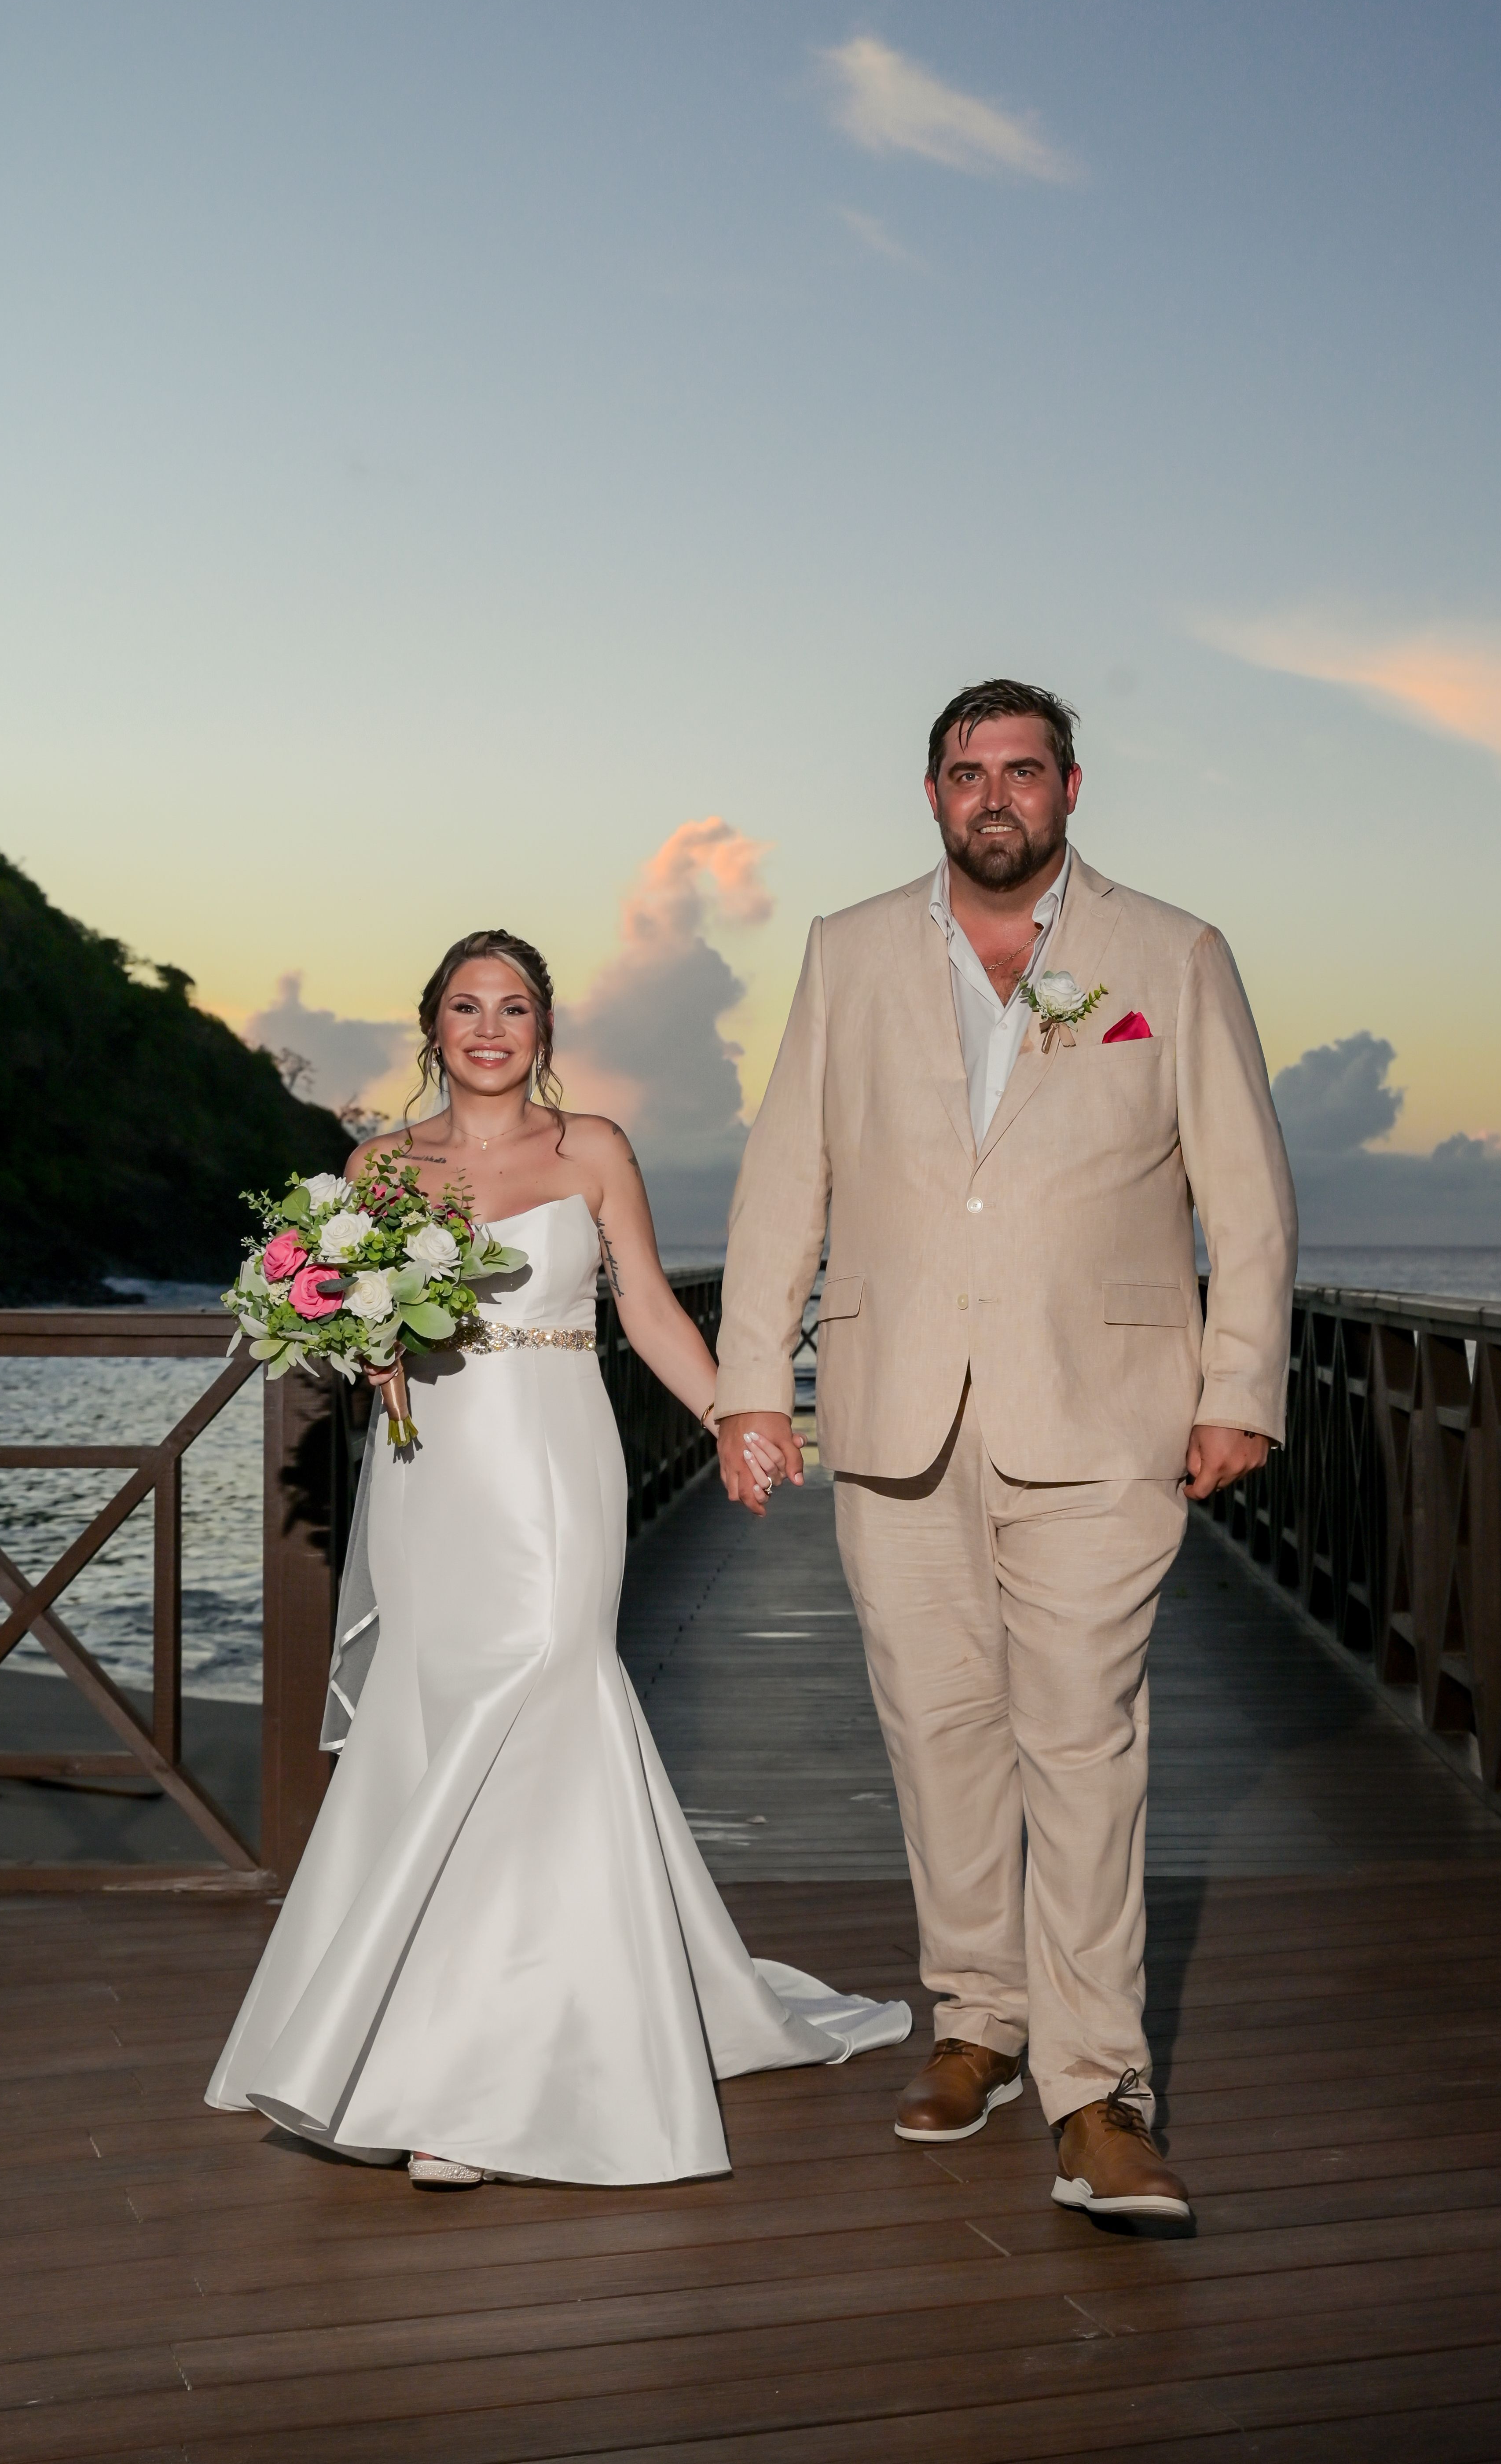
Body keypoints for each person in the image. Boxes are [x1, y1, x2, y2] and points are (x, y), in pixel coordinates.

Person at [714, 679, 1296, 2223]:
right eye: (966, 773)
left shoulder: (1172, 952)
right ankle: (977, 2015)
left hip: (1105, 1414)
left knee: (1081, 1739)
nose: (994, 797)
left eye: (1021, 772)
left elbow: (1245, 1194)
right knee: (936, 1727)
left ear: (1071, 789)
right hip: (896, 1408)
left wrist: (1241, 1384)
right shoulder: (846, 952)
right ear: (931, 796)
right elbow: (789, 1177)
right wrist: (750, 1384)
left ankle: (1100, 2090)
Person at [207, 928, 909, 2188]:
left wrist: (738, 1418)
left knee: (541, 1683)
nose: (491, 1028)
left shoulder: (591, 1148)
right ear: (432, 1026)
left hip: (556, 1454)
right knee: (439, 1723)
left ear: (544, 1029)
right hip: (434, 1469)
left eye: (516, 1007)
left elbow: (643, 1302)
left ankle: (476, 2076)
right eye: (468, 1006)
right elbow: (332, 1317)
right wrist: (344, 1338)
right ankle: (425, 2043)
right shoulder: (376, 1165)